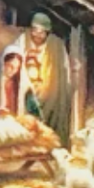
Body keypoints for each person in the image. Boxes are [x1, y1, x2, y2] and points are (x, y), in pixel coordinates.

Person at [24, 11, 75, 144]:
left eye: (41, 32)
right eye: (35, 30)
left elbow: (61, 71)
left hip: (49, 89)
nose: (37, 35)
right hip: (28, 88)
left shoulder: (56, 45)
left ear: (47, 33)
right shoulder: (23, 41)